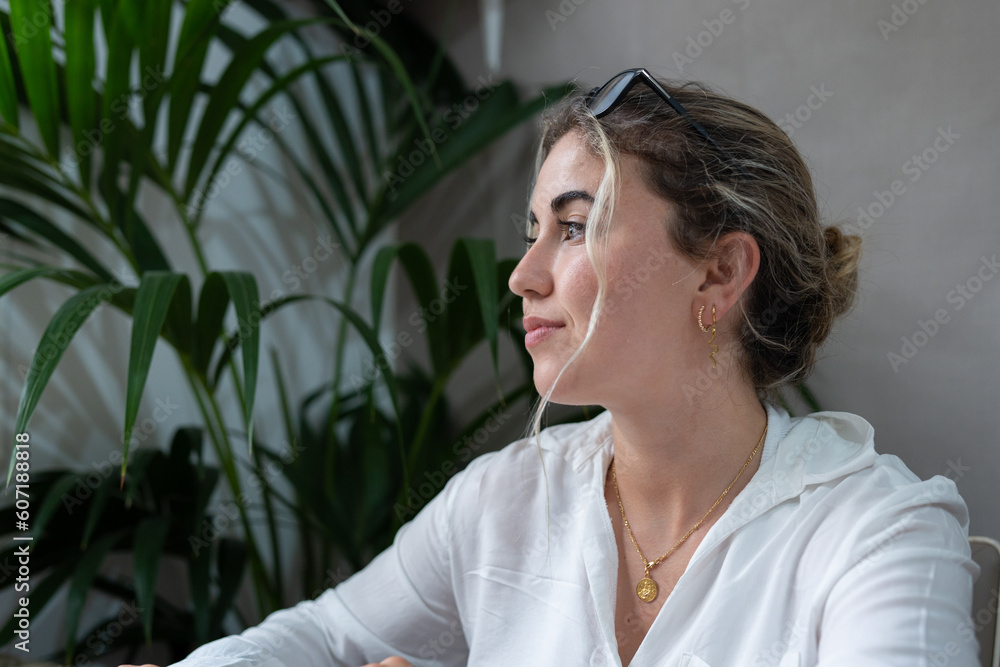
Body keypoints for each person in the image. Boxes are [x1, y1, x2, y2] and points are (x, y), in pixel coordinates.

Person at [123, 68, 978, 667]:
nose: (522, 276)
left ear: (719, 272)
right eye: (531, 231)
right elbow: (317, 638)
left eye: (573, 227)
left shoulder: (881, 534)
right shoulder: (503, 501)